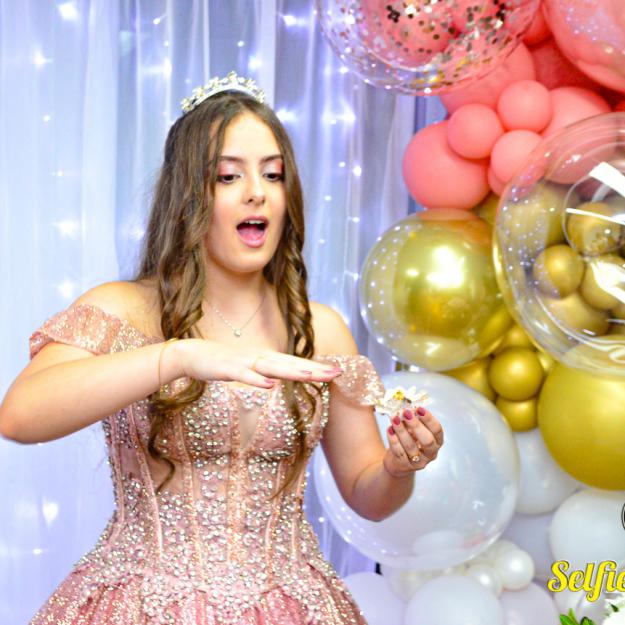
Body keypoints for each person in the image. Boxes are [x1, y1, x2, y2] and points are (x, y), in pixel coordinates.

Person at [0, 71, 444, 625]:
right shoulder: (122, 308)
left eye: (273, 174)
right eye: (228, 176)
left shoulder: (319, 328)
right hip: (140, 604)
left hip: (289, 605)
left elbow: (366, 495)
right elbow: (19, 417)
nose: (257, 191)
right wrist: (178, 356)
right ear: (189, 196)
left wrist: (399, 468)